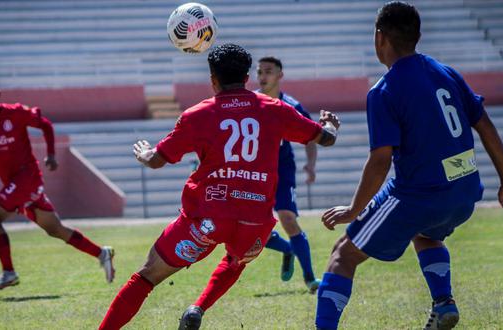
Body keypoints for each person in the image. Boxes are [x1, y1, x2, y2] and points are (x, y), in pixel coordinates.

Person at [314, 2, 503, 330]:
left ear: (380, 38)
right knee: (427, 233)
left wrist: (354, 209)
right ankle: (444, 303)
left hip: (419, 195)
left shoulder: (384, 90)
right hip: (464, 192)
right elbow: (484, 123)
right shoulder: (445, 72)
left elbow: (380, 160)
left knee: (343, 255)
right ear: (417, 36)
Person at [98, 43, 340, 330]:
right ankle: (198, 307)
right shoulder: (275, 108)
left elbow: (156, 161)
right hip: (255, 221)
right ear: (247, 78)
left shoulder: (197, 115)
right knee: (236, 261)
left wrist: (144, 153)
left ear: (213, 79)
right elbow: (324, 138)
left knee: (147, 276)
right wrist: (331, 126)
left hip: (206, 219)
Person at [0, 73, 115, 290]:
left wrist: (52, 155)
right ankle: (102, 253)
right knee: (55, 229)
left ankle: (9, 272)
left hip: (27, 177)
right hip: (16, 184)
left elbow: (45, 125)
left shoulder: (15, 113)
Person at [256, 56, 320, 292]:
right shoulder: (250, 102)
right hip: (254, 172)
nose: (263, 77)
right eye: (259, 72)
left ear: (280, 75)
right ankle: (288, 249)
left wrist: (310, 165)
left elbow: (312, 136)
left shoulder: (291, 106)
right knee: (252, 228)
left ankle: (311, 279)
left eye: (268, 71)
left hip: (282, 170)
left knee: (288, 219)